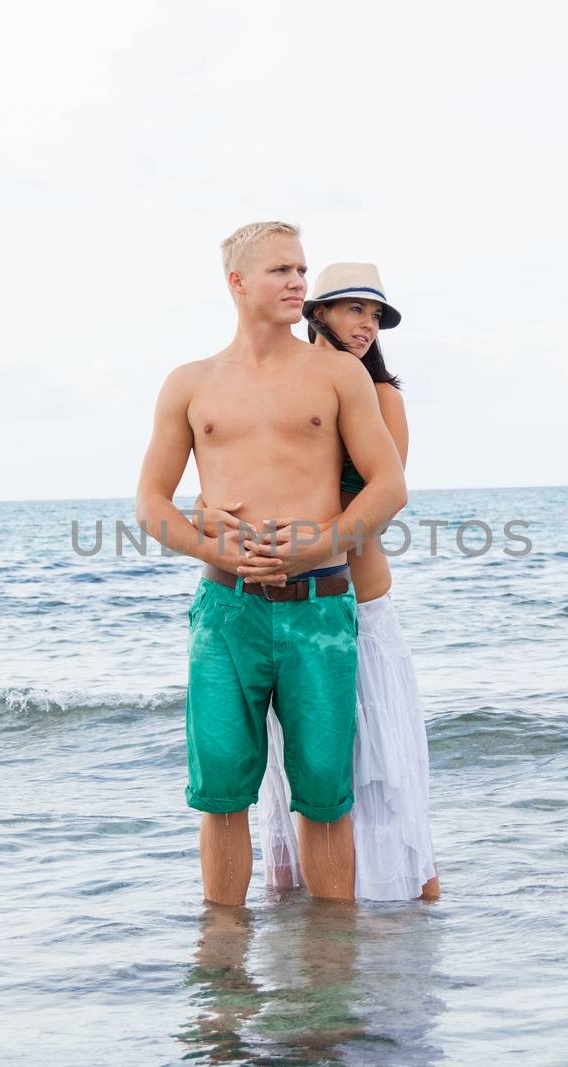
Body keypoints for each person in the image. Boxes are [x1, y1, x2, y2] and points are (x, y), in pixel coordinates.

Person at [134, 221, 408, 907]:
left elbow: (389, 485)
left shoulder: (339, 374)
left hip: (319, 607)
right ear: (237, 282)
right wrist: (207, 543)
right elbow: (149, 503)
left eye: (300, 270)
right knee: (221, 788)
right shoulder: (190, 384)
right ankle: (222, 969)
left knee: (323, 791)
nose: (296, 283)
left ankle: (329, 974)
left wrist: (325, 541)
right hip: (227, 612)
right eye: (281, 270)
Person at [193, 262, 439, 901]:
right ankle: (312, 904)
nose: (366, 325)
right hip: (287, 600)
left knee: (374, 765)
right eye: (353, 310)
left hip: (349, 599)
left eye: (375, 315)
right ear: (318, 312)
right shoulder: (285, 384)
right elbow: (264, 468)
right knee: (304, 767)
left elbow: (373, 496)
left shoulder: (377, 394)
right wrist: (206, 508)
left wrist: (303, 544)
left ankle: (406, 893)